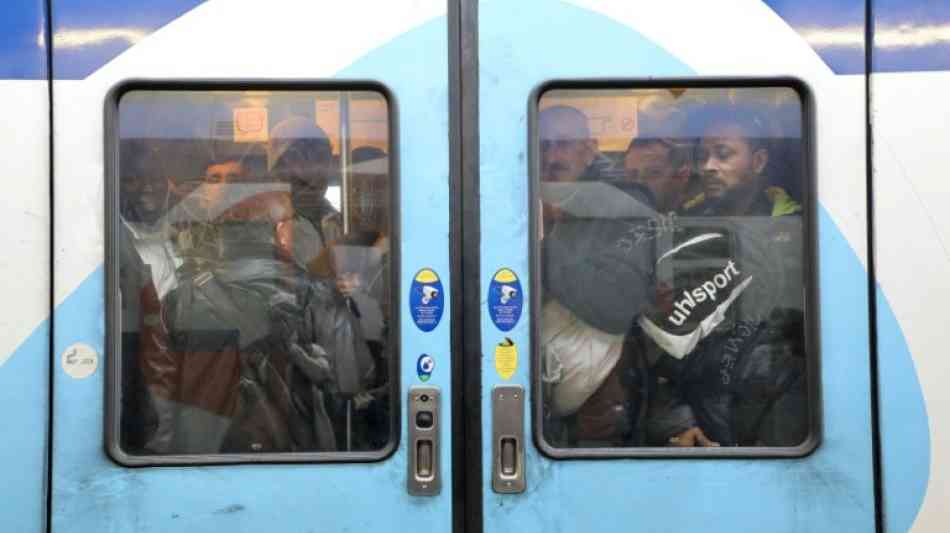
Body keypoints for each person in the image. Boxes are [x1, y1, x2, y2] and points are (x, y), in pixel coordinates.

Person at [639, 104, 808, 447]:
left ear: (758, 162)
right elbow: (662, 339)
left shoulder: (796, 230)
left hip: (778, 416)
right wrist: (678, 422)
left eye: (723, 154)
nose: (708, 167)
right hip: (699, 416)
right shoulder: (686, 230)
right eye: (703, 155)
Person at [538, 105, 656, 446]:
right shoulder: (517, 202)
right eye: (543, 146)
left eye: (562, 144)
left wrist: (544, 242)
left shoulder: (620, 206)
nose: (551, 156)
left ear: (589, 149)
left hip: (601, 400)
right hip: (541, 400)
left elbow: (615, 304)